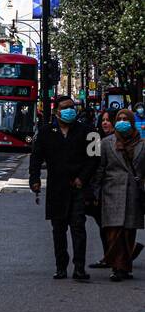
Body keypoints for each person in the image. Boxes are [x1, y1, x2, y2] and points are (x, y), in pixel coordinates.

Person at [29, 96, 97, 281]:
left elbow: (94, 158)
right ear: (56, 111)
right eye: (65, 107)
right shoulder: (45, 132)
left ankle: (79, 268)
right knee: (58, 230)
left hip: (77, 187)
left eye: (72, 107)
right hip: (56, 189)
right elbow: (35, 157)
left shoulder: (88, 131)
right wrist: (34, 180)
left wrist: (82, 178)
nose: (70, 110)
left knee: (78, 228)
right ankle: (61, 267)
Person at [89, 109, 145, 281]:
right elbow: (100, 169)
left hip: (133, 193)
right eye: (119, 119)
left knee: (128, 232)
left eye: (124, 119)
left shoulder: (142, 144)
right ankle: (117, 267)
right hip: (111, 192)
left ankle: (124, 267)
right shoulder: (105, 143)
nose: (122, 121)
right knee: (113, 232)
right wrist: (95, 192)